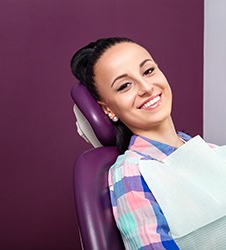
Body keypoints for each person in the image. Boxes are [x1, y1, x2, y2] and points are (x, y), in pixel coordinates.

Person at [70, 37, 225, 249]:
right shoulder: (133, 174)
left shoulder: (211, 152)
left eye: (148, 71)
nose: (146, 87)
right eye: (125, 86)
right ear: (108, 109)